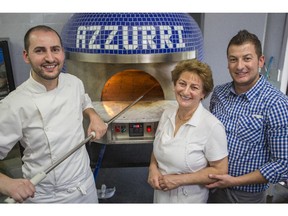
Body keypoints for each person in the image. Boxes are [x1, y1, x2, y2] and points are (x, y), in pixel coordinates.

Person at [0, 25, 107, 203]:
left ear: (62, 52)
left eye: (55, 49)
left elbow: (84, 101)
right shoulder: (13, 105)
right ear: (26, 56)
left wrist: (93, 116)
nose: (50, 58)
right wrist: (6, 184)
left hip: (85, 186)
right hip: (47, 197)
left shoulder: (74, 83)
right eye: (40, 51)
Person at [207, 29, 288, 203]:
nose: (240, 66)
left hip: (246, 196)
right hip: (211, 186)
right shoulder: (218, 94)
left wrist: (234, 180)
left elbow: (282, 164)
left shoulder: (277, 103)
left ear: (260, 61)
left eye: (247, 58)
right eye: (233, 59)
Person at [147, 59, 228, 203]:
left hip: (188, 200)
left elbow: (220, 170)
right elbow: (158, 148)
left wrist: (179, 180)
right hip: (160, 197)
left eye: (194, 87)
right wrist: (152, 168)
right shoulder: (167, 114)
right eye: (182, 84)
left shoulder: (212, 126)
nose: (185, 91)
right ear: (174, 85)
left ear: (203, 93)